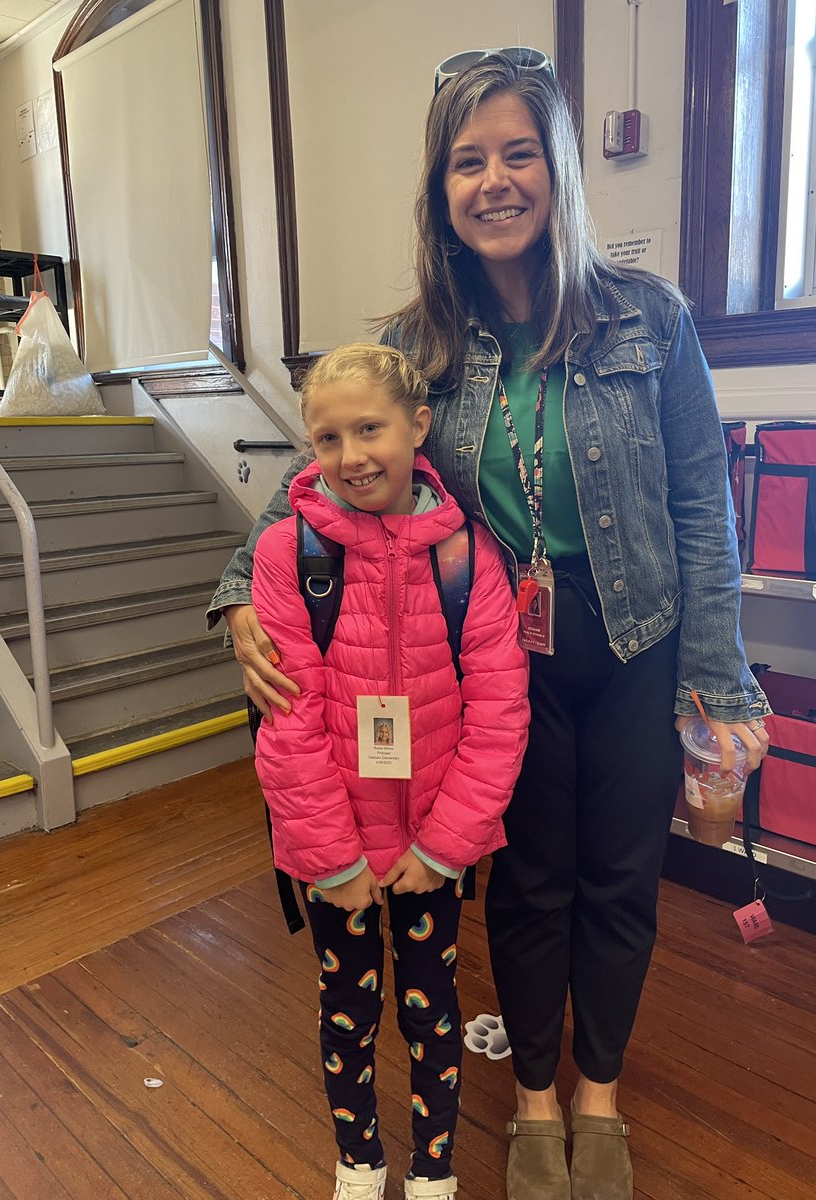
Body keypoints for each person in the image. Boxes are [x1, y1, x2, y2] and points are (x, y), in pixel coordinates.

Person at [208, 50, 770, 1200]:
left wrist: (716, 684)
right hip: (495, 664)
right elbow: (307, 487)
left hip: (635, 641)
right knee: (522, 886)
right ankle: (530, 1100)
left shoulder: (650, 319)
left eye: (520, 154)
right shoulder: (419, 344)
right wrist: (233, 601)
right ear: (441, 189)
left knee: (619, 880)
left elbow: (703, 510)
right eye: (469, 161)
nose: (495, 181)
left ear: (558, 170)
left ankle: (598, 1098)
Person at [249, 342, 529, 1200]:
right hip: (337, 855)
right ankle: (361, 1161)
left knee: (431, 1011)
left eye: (369, 428)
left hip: (431, 851)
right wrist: (330, 858)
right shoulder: (287, 555)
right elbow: (287, 723)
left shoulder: (469, 556)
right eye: (327, 438)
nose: (351, 455)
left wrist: (448, 845)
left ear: (418, 426)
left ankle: (434, 1168)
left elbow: (499, 712)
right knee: (349, 1014)